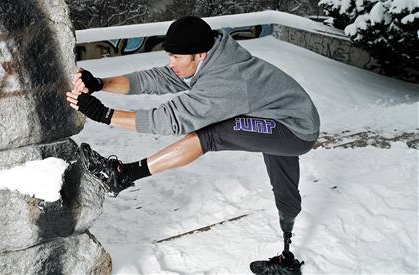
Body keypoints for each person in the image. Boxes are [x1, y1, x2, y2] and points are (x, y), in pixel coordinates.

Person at [66, 15, 319, 275]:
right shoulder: (211, 57)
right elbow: (157, 79)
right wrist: (100, 83)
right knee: (284, 186)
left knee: (210, 134)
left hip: (295, 129)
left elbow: (172, 120)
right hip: (281, 114)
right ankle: (287, 256)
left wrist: (105, 115)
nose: (171, 63)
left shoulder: (226, 83)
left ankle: (124, 174)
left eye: (176, 58)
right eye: (169, 55)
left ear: (200, 55)